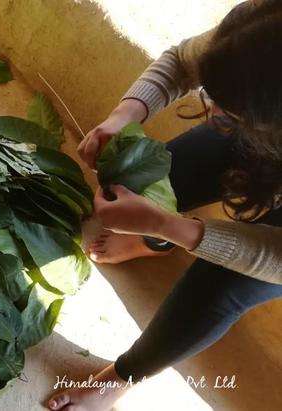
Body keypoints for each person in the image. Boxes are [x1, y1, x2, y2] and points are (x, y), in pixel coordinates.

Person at [46, 0, 282, 409]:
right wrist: (123, 116)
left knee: (222, 286)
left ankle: (121, 377)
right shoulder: (265, 33)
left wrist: (166, 225)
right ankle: (152, 242)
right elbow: (182, 61)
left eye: (230, 108)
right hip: (266, 127)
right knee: (152, 174)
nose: (212, 111)